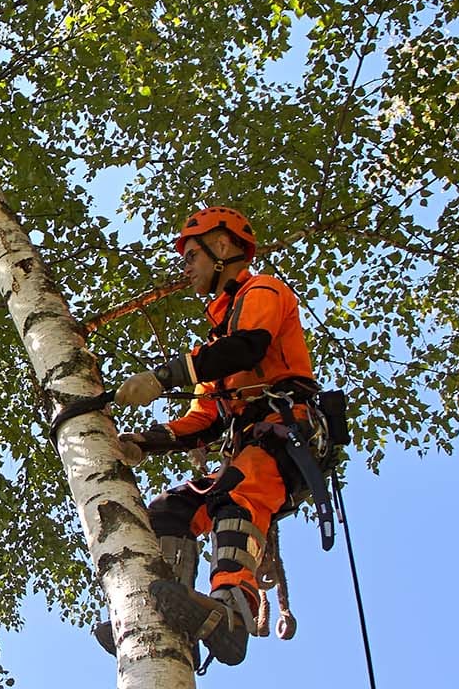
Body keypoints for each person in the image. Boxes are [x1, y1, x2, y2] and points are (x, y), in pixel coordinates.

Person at [97, 206, 320, 669]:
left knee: (237, 494)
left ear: (222, 248)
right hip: (248, 446)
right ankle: (162, 610)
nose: (186, 267)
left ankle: (233, 612)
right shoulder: (215, 344)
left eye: (191, 255)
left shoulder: (263, 291)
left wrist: (164, 376)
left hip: (281, 436)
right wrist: (147, 441)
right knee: (168, 511)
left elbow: (248, 346)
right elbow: (204, 419)